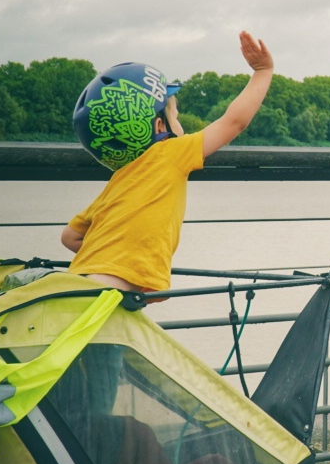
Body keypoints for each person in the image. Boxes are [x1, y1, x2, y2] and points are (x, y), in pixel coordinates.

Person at [62, 31, 274, 294]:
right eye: (176, 115)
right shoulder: (171, 153)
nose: (180, 122)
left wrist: (111, 252)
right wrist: (263, 71)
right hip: (111, 289)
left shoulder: (117, 183)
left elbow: (70, 237)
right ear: (160, 125)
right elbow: (234, 122)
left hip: (80, 279)